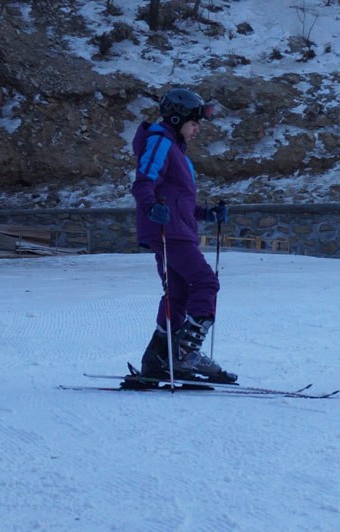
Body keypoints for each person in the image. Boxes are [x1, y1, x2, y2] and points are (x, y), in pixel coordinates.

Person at [131, 87, 236, 383]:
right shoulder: (160, 141)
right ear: (177, 119)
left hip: (176, 228)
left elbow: (180, 201)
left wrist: (206, 213)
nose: (197, 130)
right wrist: (151, 208)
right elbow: (143, 183)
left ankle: (157, 358)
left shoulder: (176, 150)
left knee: (177, 294)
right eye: (194, 124)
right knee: (205, 282)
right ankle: (186, 353)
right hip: (169, 231)